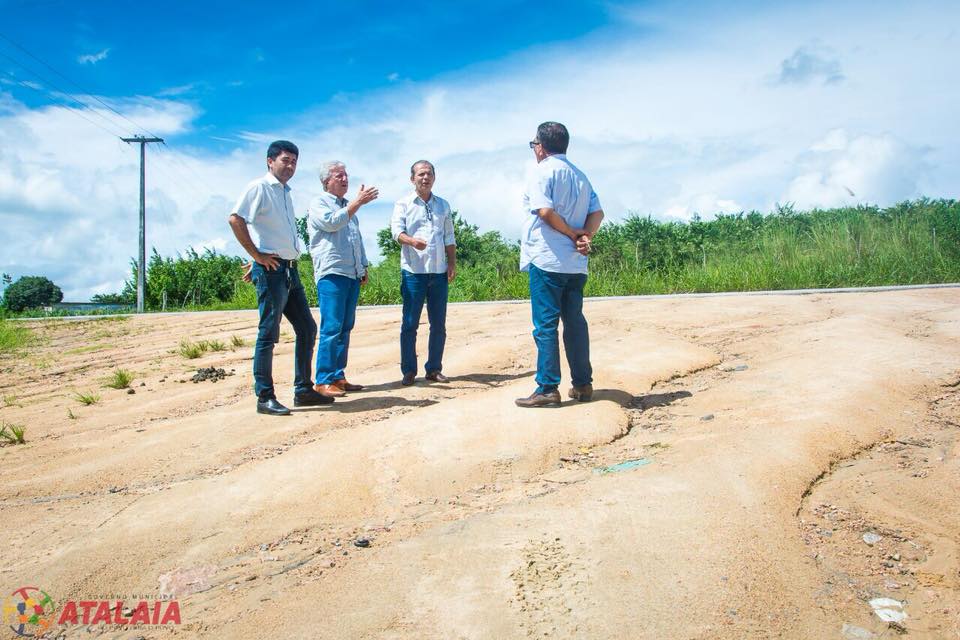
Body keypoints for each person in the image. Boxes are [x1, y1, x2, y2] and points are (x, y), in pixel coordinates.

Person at [228, 140, 333, 415]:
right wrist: (257, 256)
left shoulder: (285, 193)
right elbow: (236, 219)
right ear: (270, 161)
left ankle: (303, 390)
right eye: (285, 160)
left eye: (294, 162)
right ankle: (265, 397)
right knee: (268, 333)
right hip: (272, 271)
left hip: (290, 270)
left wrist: (258, 257)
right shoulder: (259, 188)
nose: (290, 166)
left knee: (307, 328)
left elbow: (271, 231)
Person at [516, 122, 604, 408]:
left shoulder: (542, 172)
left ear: (541, 147)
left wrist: (571, 233)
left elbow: (544, 211)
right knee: (575, 322)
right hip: (575, 264)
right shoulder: (580, 175)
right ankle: (583, 384)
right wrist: (584, 236)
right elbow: (597, 213)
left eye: (534, 144)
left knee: (546, 326)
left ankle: (547, 388)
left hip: (548, 259)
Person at [308, 161, 379, 398]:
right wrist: (357, 203)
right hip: (332, 272)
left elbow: (356, 239)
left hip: (351, 273)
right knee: (331, 327)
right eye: (339, 176)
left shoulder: (348, 207)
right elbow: (331, 223)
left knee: (345, 327)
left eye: (346, 175)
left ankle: (338, 376)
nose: (345, 179)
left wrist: (363, 266)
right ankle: (323, 380)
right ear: (326, 181)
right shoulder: (319, 203)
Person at [391, 160, 457, 386]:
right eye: (420, 174)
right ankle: (409, 370)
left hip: (438, 272)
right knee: (410, 323)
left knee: (438, 324)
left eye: (429, 174)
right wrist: (411, 241)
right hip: (413, 272)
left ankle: (434, 369)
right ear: (412, 179)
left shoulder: (443, 205)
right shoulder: (403, 204)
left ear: (434, 178)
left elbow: (449, 236)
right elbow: (396, 232)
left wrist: (452, 263)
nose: (425, 178)